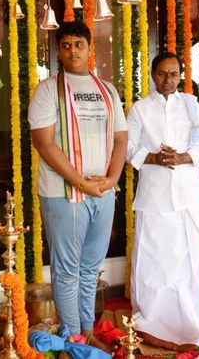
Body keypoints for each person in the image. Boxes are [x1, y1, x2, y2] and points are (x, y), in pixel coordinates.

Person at [28, 20, 128, 349]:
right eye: (67, 45)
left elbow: (120, 138)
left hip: (102, 192)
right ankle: (74, 336)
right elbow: (44, 143)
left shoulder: (107, 89)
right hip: (63, 193)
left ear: (89, 48)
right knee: (68, 269)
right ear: (60, 49)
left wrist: (112, 179)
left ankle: (86, 331)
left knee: (90, 268)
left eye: (79, 44)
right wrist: (80, 183)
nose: (73, 50)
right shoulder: (47, 90)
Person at [126, 52, 199, 349]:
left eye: (174, 74)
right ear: (153, 75)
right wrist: (155, 157)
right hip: (153, 198)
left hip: (187, 197)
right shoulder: (139, 109)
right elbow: (128, 148)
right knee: (153, 260)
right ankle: (153, 319)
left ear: (180, 76)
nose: (168, 80)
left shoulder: (192, 107)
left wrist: (182, 157)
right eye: (162, 74)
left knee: (186, 262)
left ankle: (187, 318)